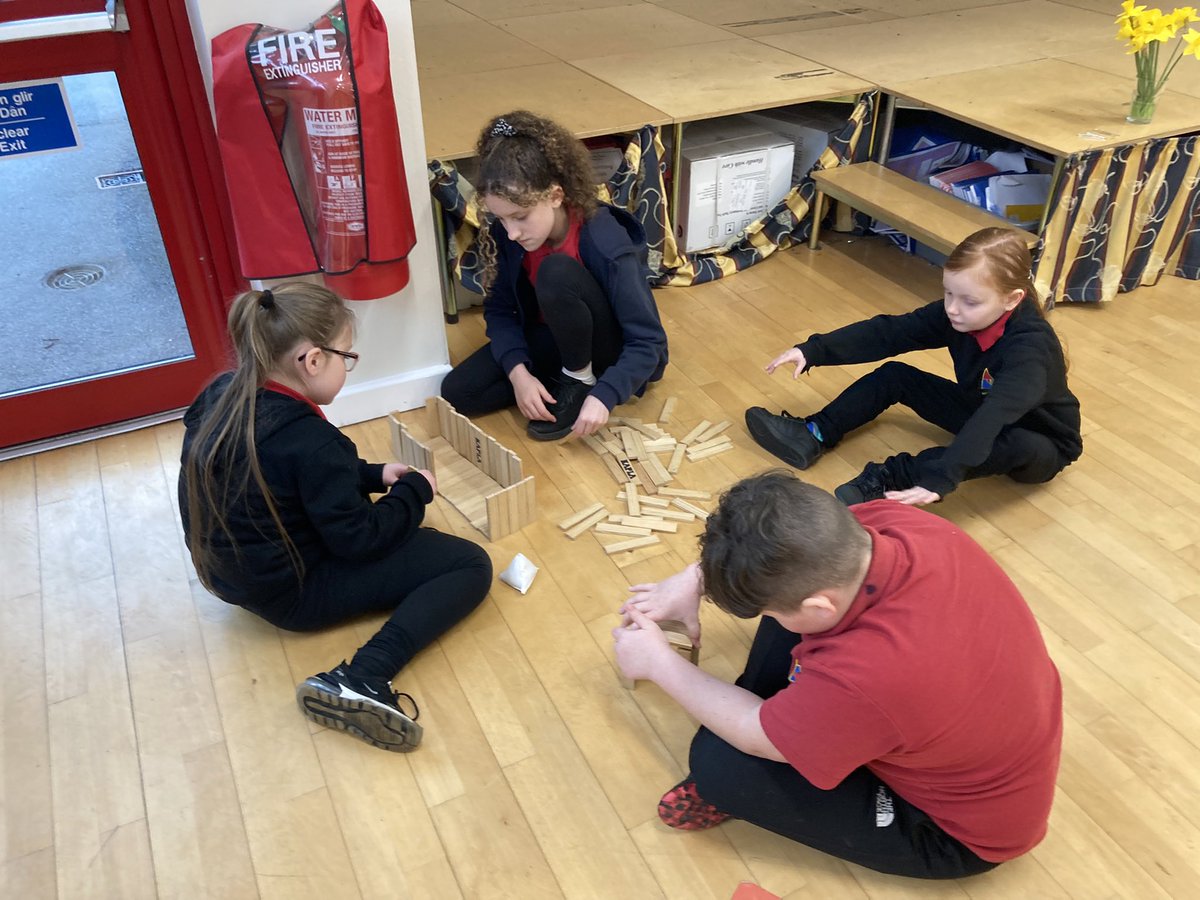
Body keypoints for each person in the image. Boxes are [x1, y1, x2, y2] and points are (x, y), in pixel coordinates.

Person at [613, 471, 1062, 880]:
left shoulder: (871, 677)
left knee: (720, 765)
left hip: (953, 833)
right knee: (782, 606)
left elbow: (753, 735)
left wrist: (659, 663)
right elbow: (790, 551)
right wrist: (695, 579)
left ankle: (796, 734)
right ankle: (806, 721)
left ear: (821, 606)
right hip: (946, 718)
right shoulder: (894, 524)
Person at [179, 283, 492, 752]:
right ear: (311, 360)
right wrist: (412, 492)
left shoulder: (224, 394)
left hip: (231, 575)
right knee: (468, 564)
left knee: (415, 543)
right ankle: (363, 676)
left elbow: (284, 479)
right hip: (293, 593)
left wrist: (371, 475)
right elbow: (359, 540)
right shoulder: (312, 442)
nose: (347, 365)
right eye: (346, 356)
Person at [745, 227, 1081, 506]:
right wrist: (815, 350)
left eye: (969, 301)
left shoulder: (1030, 351)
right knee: (897, 375)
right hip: (981, 410)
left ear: (1012, 299)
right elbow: (891, 333)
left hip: (1041, 446)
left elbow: (994, 417)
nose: (952, 308)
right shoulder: (960, 315)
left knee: (1016, 441)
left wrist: (941, 477)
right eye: (948, 293)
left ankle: (892, 479)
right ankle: (813, 433)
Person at [440, 110, 669, 441]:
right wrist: (519, 375)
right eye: (503, 220)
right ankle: (562, 378)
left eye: (520, 217)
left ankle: (582, 379)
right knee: (458, 392)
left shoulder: (605, 241)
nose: (512, 232)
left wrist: (606, 396)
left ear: (556, 195)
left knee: (555, 271)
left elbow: (648, 340)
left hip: (608, 347)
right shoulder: (512, 233)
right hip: (558, 337)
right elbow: (500, 309)